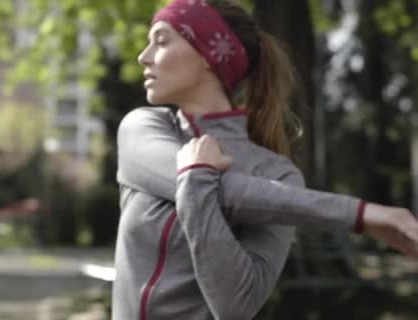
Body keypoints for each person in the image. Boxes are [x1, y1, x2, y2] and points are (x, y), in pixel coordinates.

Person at [112, 0, 418, 319]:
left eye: (161, 41)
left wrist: (197, 182)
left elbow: (236, 307)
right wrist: (360, 214)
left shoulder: (277, 173)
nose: (143, 57)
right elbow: (230, 191)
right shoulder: (143, 129)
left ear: (208, 54)